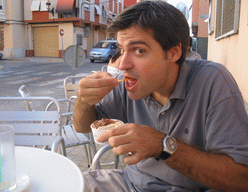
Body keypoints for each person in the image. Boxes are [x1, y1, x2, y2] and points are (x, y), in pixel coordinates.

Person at [73, 1, 248, 191]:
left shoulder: (212, 81)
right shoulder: (128, 83)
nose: (122, 64)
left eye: (138, 50)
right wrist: (83, 101)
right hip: (131, 183)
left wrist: (162, 145)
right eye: (122, 50)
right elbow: (83, 127)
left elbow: (240, 179)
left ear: (174, 52)